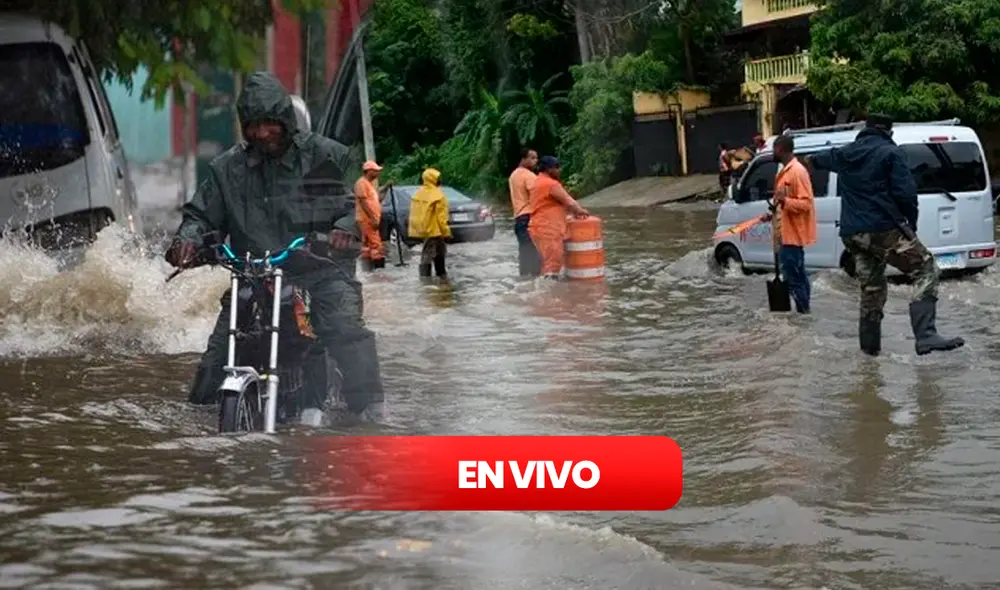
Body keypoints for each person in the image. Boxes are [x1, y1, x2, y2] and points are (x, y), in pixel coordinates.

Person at [163, 71, 385, 417]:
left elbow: (352, 207)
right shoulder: (227, 170)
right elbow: (200, 216)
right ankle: (208, 423)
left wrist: (342, 231)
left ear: (284, 118)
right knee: (217, 356)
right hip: (254, 276)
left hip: (319, 272)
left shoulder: (322, 157)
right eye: (253, 125)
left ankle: (370, 412)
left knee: (343, 327)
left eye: (270, 123)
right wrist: (187, 241)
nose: (262, 133)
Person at [805, 114, 964, 356]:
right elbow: (907, 194)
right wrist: (911, 225)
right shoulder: (891, 153)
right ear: (888, 132)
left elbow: (815, 160)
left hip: (852, 234)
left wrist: (812, 161)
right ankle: (926, 335)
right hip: (881, 228)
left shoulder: (845, 153)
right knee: (927, 268)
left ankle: (869, 353)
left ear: (866, 129)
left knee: (872, 288)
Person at [769, 135, 816, 314]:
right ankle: (804, 313)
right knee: (798, 276)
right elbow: (782, 204)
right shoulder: (785, 171)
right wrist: (772, 212)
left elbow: (806, 204)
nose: (773, 152)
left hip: (792, 236)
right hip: (784, 233)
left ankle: (803, 315)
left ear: (781, 149)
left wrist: (785, 201)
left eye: (774, 148)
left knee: (794, 278)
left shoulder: (797, 171)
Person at [527, 156, 589, 279]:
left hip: (539, 227)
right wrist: (581, 211)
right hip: (548, 228)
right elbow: (569, 201)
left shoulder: (538, 182)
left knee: (547, 263)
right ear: (549, 169)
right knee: (553, 264)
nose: (559, 171)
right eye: (557, 168)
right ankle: (551, 294)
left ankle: (544, 291)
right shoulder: (550, 184)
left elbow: (550, 204)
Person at [408, 168, 451, 280]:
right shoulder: (439, 195)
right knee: (430, 255)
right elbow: (442, 217)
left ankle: (439, 278)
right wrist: (446, 232)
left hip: (424, 229)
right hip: (435, 230)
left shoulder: (418, 194)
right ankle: (428, 280)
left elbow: (415, 214)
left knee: (437, 253)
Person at [509, 148, 540, 277]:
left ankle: (525, 285)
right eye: (532, 158)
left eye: (536, 158)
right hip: (529, 217)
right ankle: (535, 284)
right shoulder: (529, 176)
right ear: (523, 159)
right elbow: (537, 196)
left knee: (524, 251)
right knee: (534, 253)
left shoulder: (513, 175)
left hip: (519, 217)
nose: (535, 161)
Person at [354, 160, 385, 271]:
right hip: (366, 220)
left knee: (367, 246)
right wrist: (373, 218)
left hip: (369, 219)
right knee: (376, 245)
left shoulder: (369, 184)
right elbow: (363, 202)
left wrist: (385, 188)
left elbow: (376, 200)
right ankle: (379, 272)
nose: (378, 173)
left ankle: (369, 272)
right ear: (369, 171)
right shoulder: (361, 183)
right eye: (375, 171)